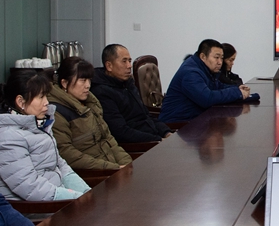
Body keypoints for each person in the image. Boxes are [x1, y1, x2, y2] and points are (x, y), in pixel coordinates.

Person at [0, 70, 90, 202]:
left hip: (59, 199)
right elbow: (29, 186)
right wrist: (76, 198)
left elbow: (60, 165)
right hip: (36, 208)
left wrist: (86, 193)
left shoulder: (39, 125)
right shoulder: (8, 137)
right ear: (20, 101)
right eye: (41, 97)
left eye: (46, 96)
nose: (47, 102)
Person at [48, 57, 132, 170]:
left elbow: (108, 138)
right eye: (82, 80)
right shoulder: (56, 112)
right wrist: (112, 168)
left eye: (89, 80)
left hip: (111, 167)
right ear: (64, 83)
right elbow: (67, 153)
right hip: (93, 173)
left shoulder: (91, 103)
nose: (87, 85)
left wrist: (127, 164)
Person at [159, 39, 259, 123]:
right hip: (178, 125)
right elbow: (207, 99)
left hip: (195, 120)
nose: (220, 62)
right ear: (203, 57)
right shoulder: (191, 73)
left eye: (222, 58)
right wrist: (236, 92)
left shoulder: (204, 68)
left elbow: (217, 86)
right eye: (216, 57)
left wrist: (237, 88)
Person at [91, 44, 172, 143]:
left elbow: (146, 115)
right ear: (109, 66)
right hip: (138, 145)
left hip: (153, 136)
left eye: (129, 61)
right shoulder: (101, 92)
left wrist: (166, 132)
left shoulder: (128, 83)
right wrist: (158, 140)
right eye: (124, 61)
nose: (129, 66)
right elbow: (121, 132)